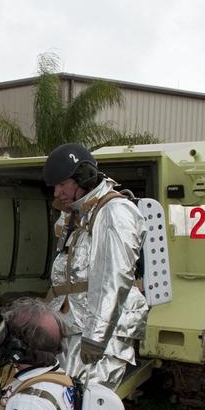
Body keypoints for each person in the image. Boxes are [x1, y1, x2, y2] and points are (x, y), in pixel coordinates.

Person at [44, 142, 148, 385]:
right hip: (74, 326)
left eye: (62, 184)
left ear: (83, 178)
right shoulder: (77, 214)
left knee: (90, 402)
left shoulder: (114, 211)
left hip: (100, 334)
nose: (57, 193)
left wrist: (96, 337)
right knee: (65, 396)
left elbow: (113, 278)